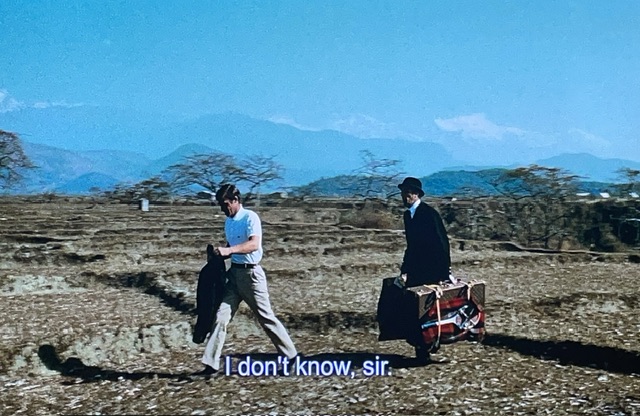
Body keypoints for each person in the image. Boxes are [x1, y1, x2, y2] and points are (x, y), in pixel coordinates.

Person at [196, 184, 298, 375]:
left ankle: (291, 356)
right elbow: (232, 246)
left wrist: (229, 250)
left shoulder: (250, 217)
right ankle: (211, 364)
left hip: (251, 276)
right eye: (221, 205)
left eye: (225, 204)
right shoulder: (229, 222)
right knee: (220, 317)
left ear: (235, 200)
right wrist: (220, 254)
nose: (223, 208)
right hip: (234, 274)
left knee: (266, 317)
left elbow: (253, 244)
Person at [397, 177, 451, 363]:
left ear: (416, 194)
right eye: (403, 193)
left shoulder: (429, 214)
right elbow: (411, 246)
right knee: (414, 310)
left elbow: (442, 243)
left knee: (428, 311)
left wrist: (443, 273)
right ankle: (421, 351)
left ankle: (428, 347)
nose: (405, 196)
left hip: (431, 270)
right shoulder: (408, 216)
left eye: (408, 193)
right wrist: (405, 269)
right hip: (416, 270)